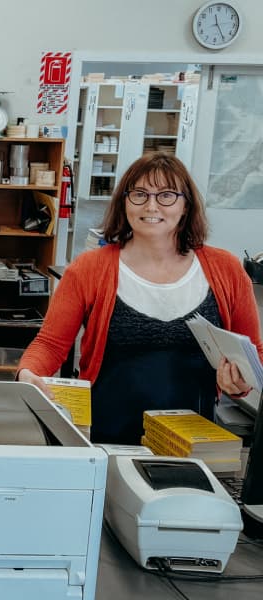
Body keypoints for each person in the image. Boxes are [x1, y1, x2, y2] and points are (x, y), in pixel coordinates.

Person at [17, 153, 263, 444]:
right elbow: (50, 344)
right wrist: (27, 375)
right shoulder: (89, 269)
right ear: (124, 202)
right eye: (140, 194)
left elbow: (253, 354)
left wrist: (238, 384)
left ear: (186, 205)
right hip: (107, 438)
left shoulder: (226, 269)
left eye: (167, 195)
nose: (151, 205)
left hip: (194, 445)